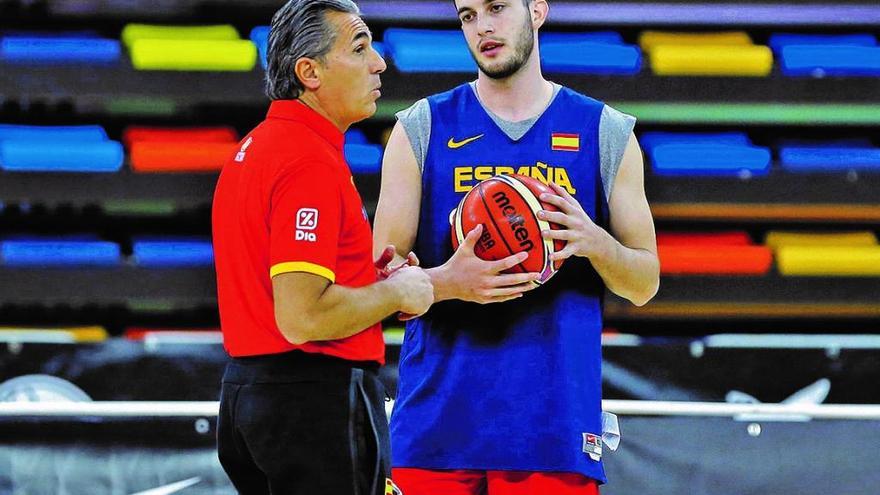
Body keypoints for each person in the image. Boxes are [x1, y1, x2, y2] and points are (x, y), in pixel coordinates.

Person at [373, 0, 660, 492]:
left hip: (553, 433)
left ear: (538, 10)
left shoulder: (604, 131)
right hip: (435, 428)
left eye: (498, 7)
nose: (483, 26)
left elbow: (644, 282)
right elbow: (378, 279)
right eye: (467, 14)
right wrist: (449, 284)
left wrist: (594, 242)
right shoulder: (420, 127)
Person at [212, 1, 433, 493]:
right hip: (313, 400)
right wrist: (399, 295)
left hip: (249, 393)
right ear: (309, 72)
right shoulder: (307, 161)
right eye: (359, 48)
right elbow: (303, 316)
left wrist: (375, 281)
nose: (378, 62)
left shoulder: (254, 149)